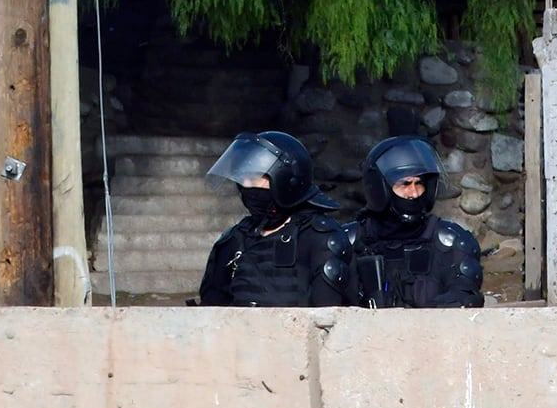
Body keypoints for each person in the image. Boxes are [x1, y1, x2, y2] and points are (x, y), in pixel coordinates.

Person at [198, 131, 355, 307]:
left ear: (286, 180)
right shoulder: (234, 240)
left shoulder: (319, 237)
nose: (247, 187)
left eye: (255, 178)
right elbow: (211, 312)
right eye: (243, 179)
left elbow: (329, 315)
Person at [349, 136, 483, 308]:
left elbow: (466, 298)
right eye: (405, 184)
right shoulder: (352, 242)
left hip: (432, 333)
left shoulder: (450, 242)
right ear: (380, 187)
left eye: (419, 183)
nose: (413, 193)